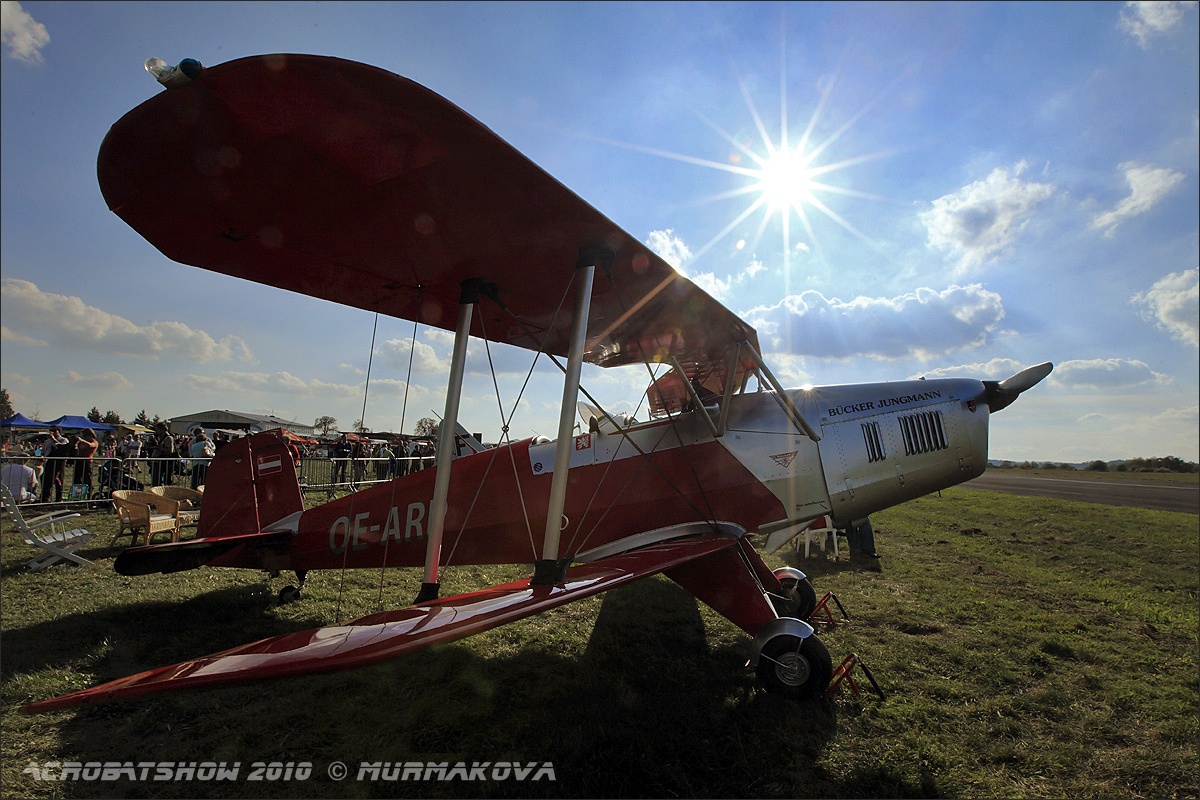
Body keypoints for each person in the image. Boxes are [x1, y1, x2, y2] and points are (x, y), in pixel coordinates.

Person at [39, 426, 71, 502]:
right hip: (48, 462)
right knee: (46, 481)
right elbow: (43, 451)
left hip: (59, 463)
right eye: (51, 430)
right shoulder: (47, 441)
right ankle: (45, 497)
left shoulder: (64, 440)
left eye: (54, 430)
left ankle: (58, 498)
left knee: (59, 481)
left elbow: (61, 448)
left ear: (59, 431)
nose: (52, 432)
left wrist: (53, 439)